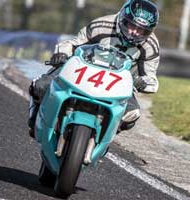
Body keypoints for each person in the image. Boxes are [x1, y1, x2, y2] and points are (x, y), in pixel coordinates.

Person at [28, 0, 160, 138]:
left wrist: (143, 82)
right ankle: (35, 121)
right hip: (83, 69)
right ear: (122, 19)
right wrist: (62, 54)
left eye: (142, 30)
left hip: (119, 83)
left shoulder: (151, 46)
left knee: (131, 114)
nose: (134, 32)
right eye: (132, 25)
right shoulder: (101, 25)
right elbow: (73, 43)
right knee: (42, 86)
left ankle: (105, 135)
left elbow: (150, 77)